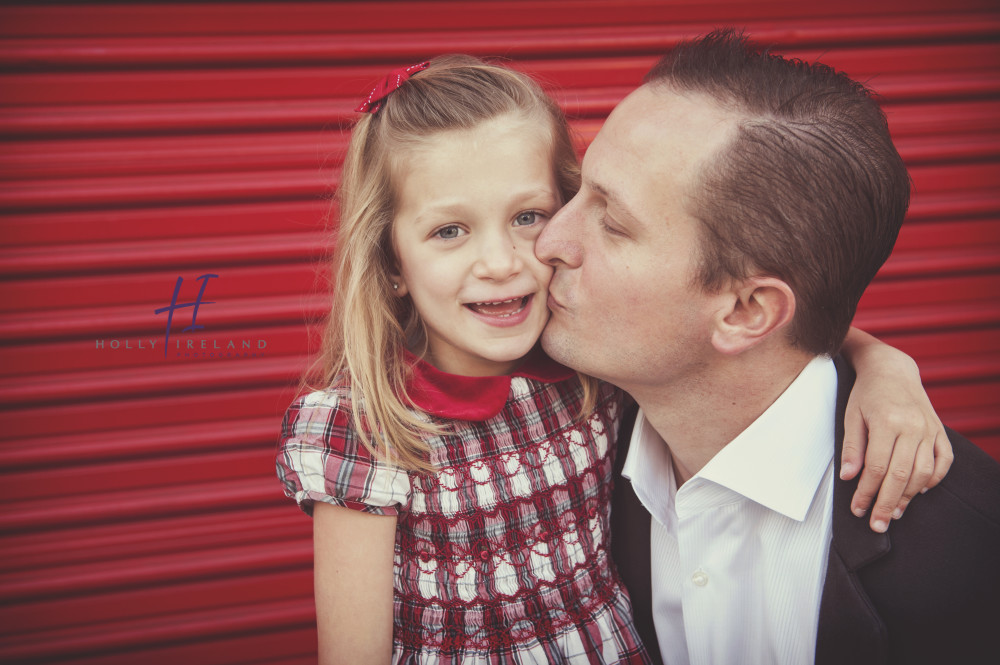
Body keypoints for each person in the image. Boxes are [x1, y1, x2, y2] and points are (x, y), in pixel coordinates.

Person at [277, 55, 953, 664]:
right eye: (450, 231)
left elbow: (767, 318)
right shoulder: (367, 429)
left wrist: (881, 363)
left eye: (531, 215)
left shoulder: (584, 368)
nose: (507, 261)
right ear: (391, 261)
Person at [535, 29, 1000, 665]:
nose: (548, 242)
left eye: (612, 223)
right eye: (578, 189)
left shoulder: (971, 555)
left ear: (748, 310)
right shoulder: (552, 448)